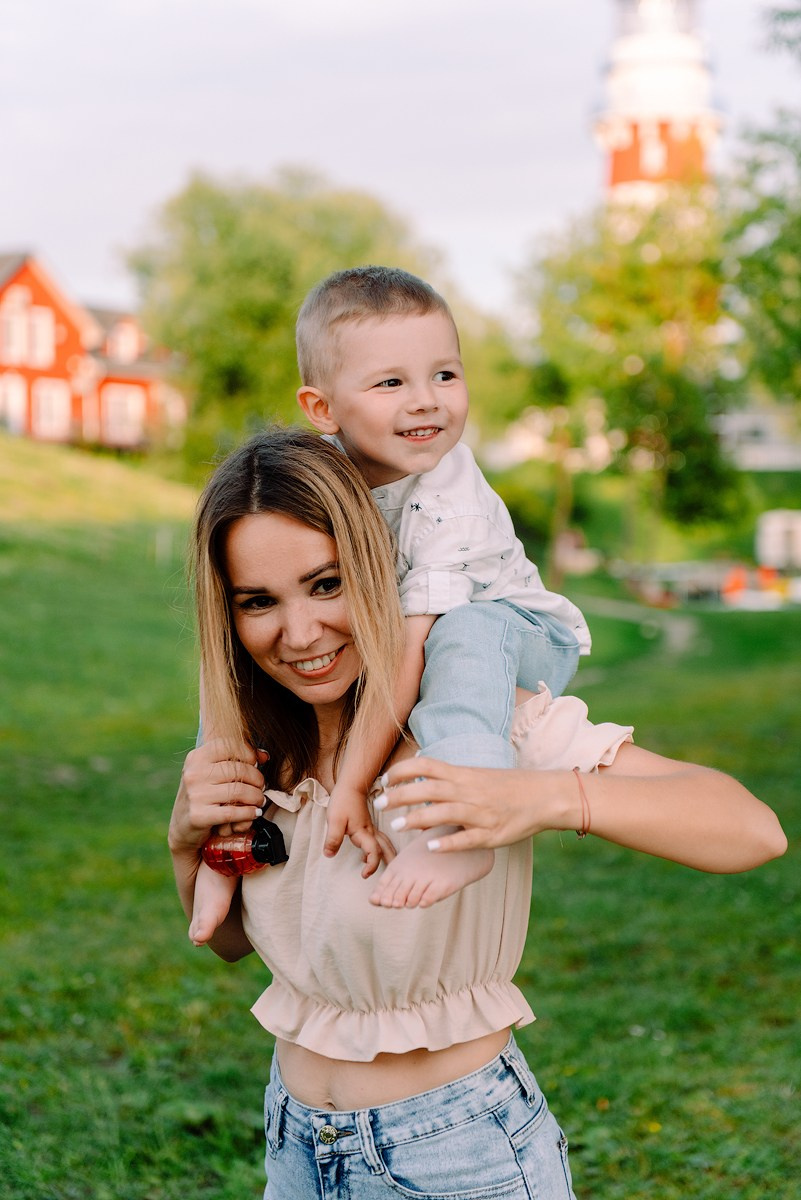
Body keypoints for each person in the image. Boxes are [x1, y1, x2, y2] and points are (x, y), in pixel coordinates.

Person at [168, 427, 787, 1199]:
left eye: (326, 585)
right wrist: (184, 844)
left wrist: (546, 797)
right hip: (295, 1143)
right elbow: (227, 943)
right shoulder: (258, 751)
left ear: (378, 570)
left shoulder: (472, 728)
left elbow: (751, 828)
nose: (299, 634)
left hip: (458, 1152)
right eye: (258, 602)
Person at [295, 265, 592, 910]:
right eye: (391, 382)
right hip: (425, 632)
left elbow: (413, 646)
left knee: (464, 630)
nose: (427, 399)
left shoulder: (448, 493)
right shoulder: (321, 478)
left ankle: (467, 816)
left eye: (445, 374)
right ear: (322, 408)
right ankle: (223, 853)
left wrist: (352, 782)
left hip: (524, 635)